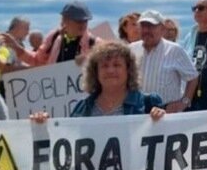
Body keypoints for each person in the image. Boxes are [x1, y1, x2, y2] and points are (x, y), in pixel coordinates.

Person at [35, 42, 165, 119]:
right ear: (95, 72)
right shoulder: (82, 108)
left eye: (117, 65)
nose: (110, 70)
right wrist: (43, 127)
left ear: (128, 70)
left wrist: (162, 120)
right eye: (104, 66)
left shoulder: (149, 103)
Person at [129, 10, 198, 113]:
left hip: (166, 113)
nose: (146, 30)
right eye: (143, 26)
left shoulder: (174, 50)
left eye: (151, 26)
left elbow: (193, 77)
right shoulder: (131, 50)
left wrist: (184, 102)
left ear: (162, 29)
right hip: (138, 112)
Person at [5, 1, 101, 66]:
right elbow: (37, 60)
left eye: (85, 20)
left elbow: (107, 63)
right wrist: (17, 49)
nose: (83, 24)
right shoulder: (54, 38)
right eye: (78, 20)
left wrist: (89, 61)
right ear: (65, 21)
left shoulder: (94, 44)